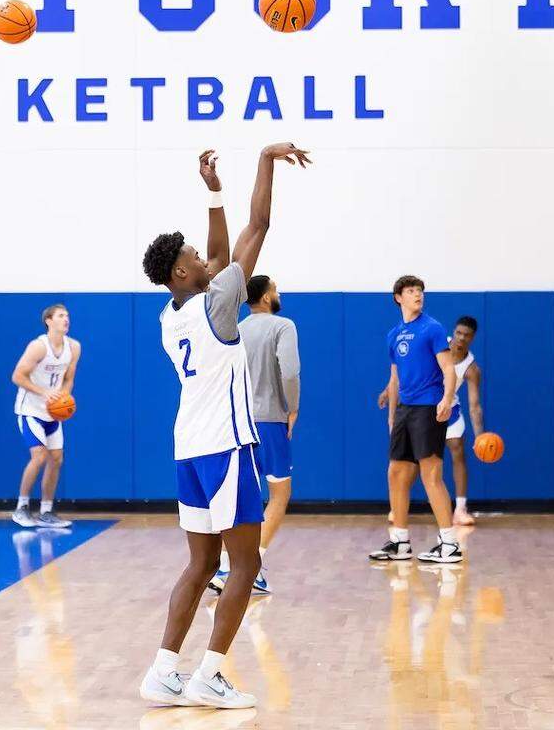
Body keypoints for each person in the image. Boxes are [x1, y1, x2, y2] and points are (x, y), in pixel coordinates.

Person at [138, 143, 311, 710]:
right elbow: (257, 225)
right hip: (226, 447)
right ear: (184, 271)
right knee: (247, 562)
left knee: (200, 563)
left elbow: (215, 251)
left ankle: (163, 671)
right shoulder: (217, 304)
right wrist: (263, 160)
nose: (206, 256)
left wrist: (213, 190)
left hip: (187, 448)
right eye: (195, 255)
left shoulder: (173, 314)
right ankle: (210, 674)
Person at [209, 274, 300, 595]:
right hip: (271, 420)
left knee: (243, 498)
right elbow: (289, 371)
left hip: (236, 422)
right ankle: (252, 567)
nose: (278, 293)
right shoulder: (283, 325)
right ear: (264, 298)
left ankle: (224, 565)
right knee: (279, 494)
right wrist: (292, 408)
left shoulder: (235, 328)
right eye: (275, 288)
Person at [369, 276, 462, 565]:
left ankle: (450, 543)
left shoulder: (432, 328)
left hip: (428, 408)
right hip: (405, 411)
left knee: (431, 475)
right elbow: (396, 377)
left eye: (420, 290)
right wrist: (391, 410)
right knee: (396, 473)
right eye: (411, 291)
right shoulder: (393, 335)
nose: (417, 295)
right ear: (399, 297)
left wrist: (446, 399)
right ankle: (400, 541)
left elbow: (449, 369)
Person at [11, 304, 82, 529]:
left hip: (52, 412)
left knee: (57, 459)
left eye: (67, 316)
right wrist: (45, 393)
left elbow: (69, 378)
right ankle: (21, 507)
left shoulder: (74, 347)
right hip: (30, 410)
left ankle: (46, 511)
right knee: (39, 456)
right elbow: (17, 376)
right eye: (61, 316)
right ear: (49, 321)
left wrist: (64, 398)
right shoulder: (38, 347)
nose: (66, 319)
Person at [445, 317, 484, 526]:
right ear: (454, 331)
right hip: (424, 407)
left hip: (450, 408)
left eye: (466, 335)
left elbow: (475, 406)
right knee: (415, 459)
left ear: (472, 338)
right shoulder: (439, 345)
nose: (461, 338)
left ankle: (460, 510)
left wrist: (480, 438)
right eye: (458, 333)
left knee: (457, 448)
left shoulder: (471, 369)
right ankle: (397, 508)